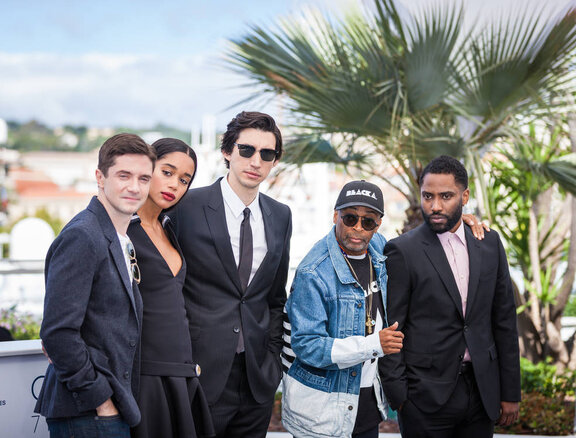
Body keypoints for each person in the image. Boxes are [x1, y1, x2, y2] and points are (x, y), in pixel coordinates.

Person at [379, 155, 521, 438]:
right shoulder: (402, 251)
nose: (435, 206)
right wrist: (401, 398)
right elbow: (392, 328)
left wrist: (510, 391)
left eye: (446, 196)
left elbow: (504, 319)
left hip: (482, 392)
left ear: (465, 196)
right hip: (424, 399)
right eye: (428, 196)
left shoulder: (489, 243)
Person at [170, 111, 292, 438]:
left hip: (256, 381)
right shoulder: (186, 207)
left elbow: (275, 297)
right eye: (246, 150)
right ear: (227, 151)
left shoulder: (281, 216)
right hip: (198, 373)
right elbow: (169, 290)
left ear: (274, 160)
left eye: (267, 154)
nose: (256, 161)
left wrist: (273, 362)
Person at [35, 133, 155, 438]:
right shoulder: (83, 236)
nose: (134, 187)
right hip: (87, 413)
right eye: (123, 175)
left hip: (110, 409)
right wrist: (100, 400)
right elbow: (57, 333)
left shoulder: (119, 235)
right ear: (100, 177)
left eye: (143, 178)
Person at [281, 180, 404, 438]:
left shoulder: (379, 248)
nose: (358, 228)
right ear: (335, 215)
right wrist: (373, 344)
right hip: (323, 412)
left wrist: (463, 223)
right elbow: (307, 346)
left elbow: (421, 244)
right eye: (349, 218)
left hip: (367, 402)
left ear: (378, 224)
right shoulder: (313, 273)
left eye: (368, 222)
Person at [129, 138, 214, 438]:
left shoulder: (168, 229)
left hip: (182, 372)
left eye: (184, 180)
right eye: (167, 172)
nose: (175, 185)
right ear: (147, 167)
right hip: (145, 376)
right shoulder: (122, 230)